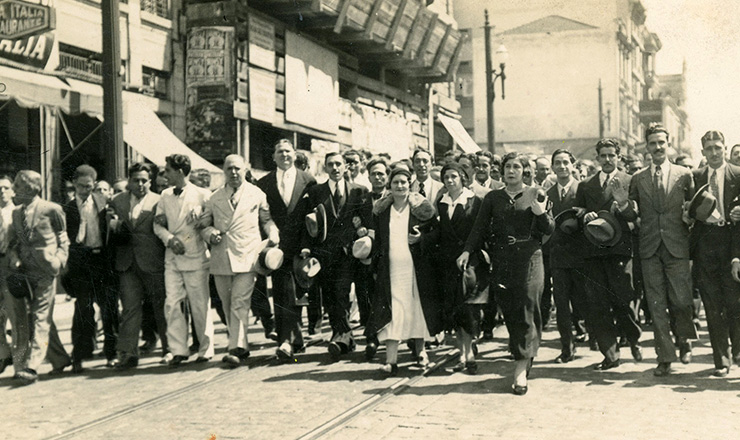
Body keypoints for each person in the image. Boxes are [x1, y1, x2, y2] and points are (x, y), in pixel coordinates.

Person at [458, 152, 553, 395]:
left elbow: (549, 228)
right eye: (507, 167)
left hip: (530, 256)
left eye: (516, 167)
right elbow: (479, 227)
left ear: (524, 171)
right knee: (511, 310)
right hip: (503, 260)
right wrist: (467, 251)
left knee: (528, 305)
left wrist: (541, 213)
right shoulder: (493, 197)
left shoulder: (536, 193)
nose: (511, 171)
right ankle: (526, 351)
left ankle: (520, 369)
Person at [625, 125, 697, 376]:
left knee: (681, 300)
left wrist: (690, 216)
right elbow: (632, 213)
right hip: (650, 247)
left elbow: (694, 209)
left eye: (661, 142)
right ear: (647, 146)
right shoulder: (638, 178)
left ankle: (685, 341)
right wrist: (623, 206)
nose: (657, 147)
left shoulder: (684, 174)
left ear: (668, 145)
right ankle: (664, 356)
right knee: (656, 304)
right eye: (652, 143)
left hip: (677, 246)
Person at [202, 154, 280, 367]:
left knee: (239, 301)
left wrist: (273, 234)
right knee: (227, 305)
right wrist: (210, 234)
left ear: (245, 169)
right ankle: (241, 345)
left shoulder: (256, 194)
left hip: (248, 256)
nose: (234, 173)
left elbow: (266, 219)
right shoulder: (214, 197)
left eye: (237, 168)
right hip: (221, 257)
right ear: (224, 172)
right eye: (229, 169)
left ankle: (235, 348)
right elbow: (204, 224)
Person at [573, 139, 642, 371]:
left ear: (619, 157)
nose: (608, 160)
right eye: (603, 156)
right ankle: (610, 355)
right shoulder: (585, 185)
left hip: (620, 248)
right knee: (598, 304)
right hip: (593, 249)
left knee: (623, 297)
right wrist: (586, 216)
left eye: (612, 155)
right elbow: (579, 214)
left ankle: (633, 338)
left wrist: (622, 206)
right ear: (597, 158)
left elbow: (634, 215)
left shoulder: (630, 181)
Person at [367, 167, 441, 375]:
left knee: (416, 307)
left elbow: (436, 233)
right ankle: (391, 359)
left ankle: (421, 351)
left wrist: (421, 239)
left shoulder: (421, 208)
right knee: (393, 311)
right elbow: (379, 241)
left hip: (416, 268)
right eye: (396, 182)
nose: (400, 186)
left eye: (403, 182)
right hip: (391, 269)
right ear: (389, 186)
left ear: (410, 184)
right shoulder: (381, 210)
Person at [300, 152, 370, 360]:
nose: (335, 168)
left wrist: (363, 232)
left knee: (341, 294)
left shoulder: (359, 192)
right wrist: (306, 248)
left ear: (346, 167)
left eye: (339, 164)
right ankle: (345, 339)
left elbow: (367, 221)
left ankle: (340, 337)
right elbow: (307, 224)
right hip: (325, 254)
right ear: (325, 168)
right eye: (331, 165)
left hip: (350, 253)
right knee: (330, 298)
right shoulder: (315, 192)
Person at [6, 170, 72, 384]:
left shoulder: (52, 209)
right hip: (24, 273)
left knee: (40, 318)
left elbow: (64, 239)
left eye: (17, 185)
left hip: (46, 271)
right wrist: (15, 257)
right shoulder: (16, 213)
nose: (14, 190)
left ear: (31, 188)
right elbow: (14, 242)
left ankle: (32, 367)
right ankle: (60, 359)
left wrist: (58, 261)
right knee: (32, 318)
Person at [256, 139, 317, 361]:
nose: (284, 155)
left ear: (294, 154)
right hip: (276, 248)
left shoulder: (308, 181)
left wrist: (307, 245)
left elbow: (312, 216)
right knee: (282, 293)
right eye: (279, 152)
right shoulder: (264, 183)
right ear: (273, 157)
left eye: (288, 151)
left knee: (296, 293)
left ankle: (291, 339)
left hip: (301, 246)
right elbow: (262, 216)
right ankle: (288, 340)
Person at [153, 154, 215, 367]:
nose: (165, 174)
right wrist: (169, 239)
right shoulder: (165, 195)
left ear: (180, 171)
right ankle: (178, 349)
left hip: (196, 256)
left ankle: (206, 349)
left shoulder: (203, 195)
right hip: (172, 257)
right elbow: (157, 224)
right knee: (172, 304)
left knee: (199, 305)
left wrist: (202, 220)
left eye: (168, 170)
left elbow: (210, 223)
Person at [107, 162, 168, 368]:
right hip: (127, 263)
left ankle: (171, 349)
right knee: (130, 309)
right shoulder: (117, 201)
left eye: (144, 180)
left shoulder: (159, 201)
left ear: (150, 182)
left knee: (161, 307)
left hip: (153, 261)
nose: (140, 184)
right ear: (129, 182)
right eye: (136, 180)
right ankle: (128, 353)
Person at [62, 165, 119, 371]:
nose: (85, 190)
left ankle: (111, 353)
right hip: (81, 263)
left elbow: (114, 230)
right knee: (83, 309)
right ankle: (79, 355)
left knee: (108, 310)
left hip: (101, 260)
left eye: (89, 186)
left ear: (94, 185)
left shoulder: (104, 204)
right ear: (74, 185)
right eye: (81, 186)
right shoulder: (67, 209)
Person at [431, 163, 484, 373]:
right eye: (446, 178)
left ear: (462, 178)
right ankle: (462, 353)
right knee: (454, 309)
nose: (450, 181)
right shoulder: (442, 203)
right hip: (448, 263)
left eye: (454, 176)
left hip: (469, 261)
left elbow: (478, 232)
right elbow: (441, 232)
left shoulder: (474, 201)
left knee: (468, 307)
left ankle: (469, 352)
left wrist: (468, 252)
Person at [696, 131, 740, 377]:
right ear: (703, 152)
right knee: (712, 307)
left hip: (732, 245)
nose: (714, 153)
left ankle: (738, 351)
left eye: (718, 147)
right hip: (705, 248)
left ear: (724, 149)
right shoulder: (696, 177)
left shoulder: (737, 174)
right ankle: (721, 360)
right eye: (709, 148)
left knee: (735, 304)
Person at [546, 149, 590, 363]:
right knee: (561, 304)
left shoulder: (583, 188)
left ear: (573, 165)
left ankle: (596, 339)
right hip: (558, 255)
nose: (562, 167)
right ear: (553, 167)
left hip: (582, 255)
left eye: (566, 162)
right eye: (558, 163)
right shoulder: (547, 193)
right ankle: (567, 348)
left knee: (584, 300)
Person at [0, 175, 15, 374]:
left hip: (13, 265)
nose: (1, 192)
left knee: (16, 313)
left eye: (5, 188)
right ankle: (3, 354)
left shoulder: (18, 213)